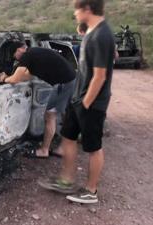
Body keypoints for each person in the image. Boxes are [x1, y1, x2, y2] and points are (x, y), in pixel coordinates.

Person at [38, 0, 115, 204]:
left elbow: (100, 76)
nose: (75, 14)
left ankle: (91, 191)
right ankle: (66, 180)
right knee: (68, 137)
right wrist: (84, 28)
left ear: (87, 9)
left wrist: (86, 103)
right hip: (79, 98)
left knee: (93, 147)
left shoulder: (102, 35)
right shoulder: (93, 31)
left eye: (77, 11)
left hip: (92, 103)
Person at [0, 41, 76, 159]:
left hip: (63, 83)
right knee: (63, 114)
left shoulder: (27, 55)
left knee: (51, 115)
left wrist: (4, 78)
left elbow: (14, 80)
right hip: (68, 80)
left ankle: (45, 150)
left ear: (19, 50)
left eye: (15, 56)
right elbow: (27, 76)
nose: (16, 59)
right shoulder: (33, 54)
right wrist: (10, 77)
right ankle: (64, 146)